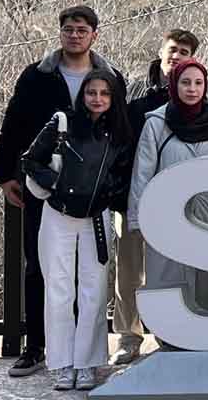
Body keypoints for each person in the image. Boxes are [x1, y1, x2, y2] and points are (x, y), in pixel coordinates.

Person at [0, 5, 125, 377]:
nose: (74, 35)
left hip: (92, 197)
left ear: (94, 35)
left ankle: (83, 359)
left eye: (82, 30)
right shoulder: (37, 76)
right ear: (60, 33)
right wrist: (5, 174)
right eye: (68, 29)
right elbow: (13, 124)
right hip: (46, 192)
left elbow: (121, 136)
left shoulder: (110, 77)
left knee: (88, 279)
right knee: (40, 268)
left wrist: (114, 190)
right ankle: (36, 347)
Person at [21, 70, 133, 391]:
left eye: (104, 93)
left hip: (96, 218)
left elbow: (124, 175)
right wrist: (54, 184)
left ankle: (87, 363)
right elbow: (31, 161)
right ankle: (62, 363)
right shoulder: (61, 123)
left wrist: (106, 194)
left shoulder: (119, 133)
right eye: (91, 92)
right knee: (58, 291)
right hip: (58, 215)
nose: (97, 99)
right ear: (82, 95)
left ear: (113, 98)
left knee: (94, 292)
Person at [127, 58, 208, 334]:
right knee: (168, 282)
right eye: (185, 82)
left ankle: (207, 342)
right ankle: (169, 341)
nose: (192, 89)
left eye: (198, 83)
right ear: (174, 84)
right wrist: (139, 220)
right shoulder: (156, 124)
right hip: (165, 221)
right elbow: (142, 174)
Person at [114, 27, 198, 364]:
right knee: (130, 270)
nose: (176, 56)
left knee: (173, 270)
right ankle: (128, 336)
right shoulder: (134, 90)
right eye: (173, 49)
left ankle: (171, 331)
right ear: (161, 51)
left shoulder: (196, 93)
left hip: (178, 205)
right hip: (132, 197)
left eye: (184, 51)